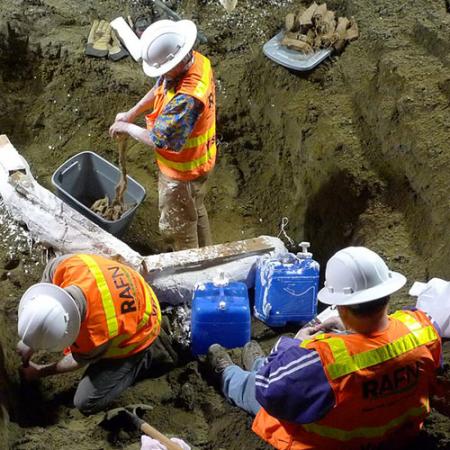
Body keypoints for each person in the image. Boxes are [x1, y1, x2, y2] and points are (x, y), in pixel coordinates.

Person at [207, 246, 444, 450]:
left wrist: (294, 343)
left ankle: (227, 374)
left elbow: (269, 389)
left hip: (333, 441)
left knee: (256, 383)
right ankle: (259, 363)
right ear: (387, 294)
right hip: (397, 436)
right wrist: (352, 328)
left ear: (340, 307)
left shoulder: (320, 362)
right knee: (285, 372)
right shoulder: (422, 330)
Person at [16, 253, 177, 415]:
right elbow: (46, 295)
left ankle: (148, 355)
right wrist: (31, 340)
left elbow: (77, 359)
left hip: (144, 328)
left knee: (85, 402)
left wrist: (40, 371)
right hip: (133, 289)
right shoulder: (64, 266)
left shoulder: (96, 333)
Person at [109, 19, 216, 251]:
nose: (160, 74)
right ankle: (208, 254)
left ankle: (190, 271)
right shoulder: (195, 60)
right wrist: (132, 113)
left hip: (183, 174)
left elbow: (158, 139)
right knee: (195, 211)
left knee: (179, 228)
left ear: (173, 63)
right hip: (200, 163)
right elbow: (160, 87)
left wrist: (127, 128)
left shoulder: (187, 99)